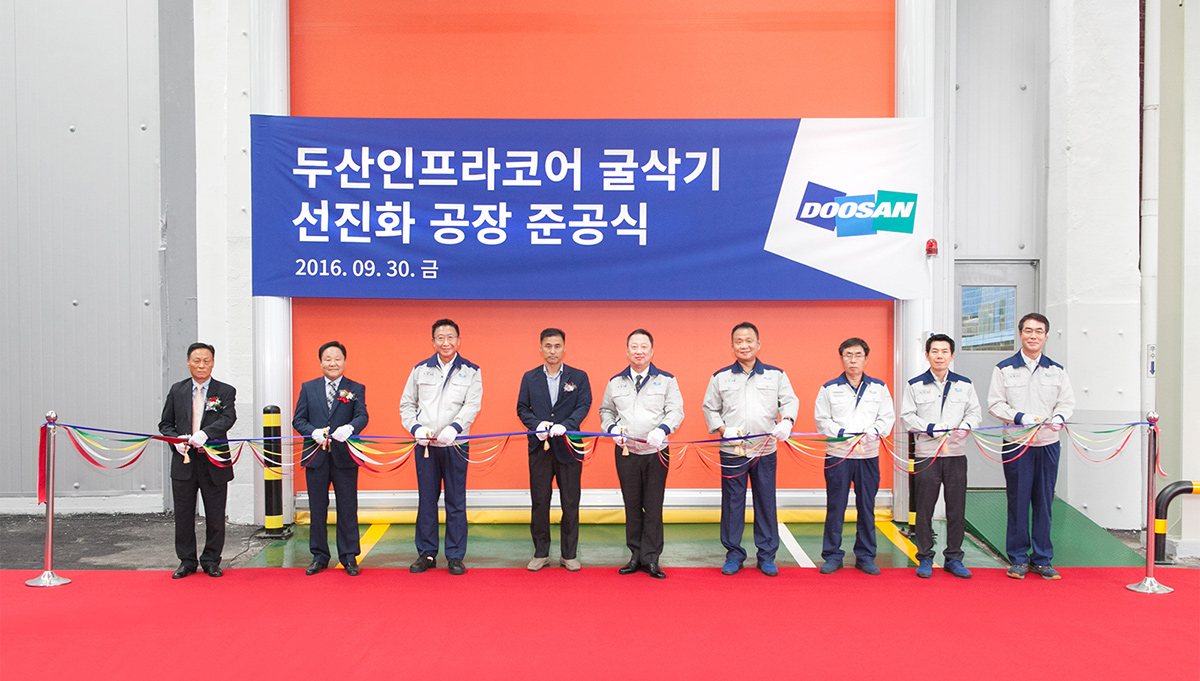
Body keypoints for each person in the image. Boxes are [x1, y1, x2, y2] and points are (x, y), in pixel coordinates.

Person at [702, 322, 799, 577]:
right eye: (739, 341)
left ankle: (766, 556)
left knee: (765, 502)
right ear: (732, 346)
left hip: (764, 450)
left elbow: (790, 401)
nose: (744, 346)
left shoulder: (776, 375)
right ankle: (734, 555)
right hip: (732, 451)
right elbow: (710, 408)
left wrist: (787, 422)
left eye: (749, 341)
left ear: (758, 344)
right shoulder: (720, 377)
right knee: (732, 504)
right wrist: (722, 429)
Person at [987, 312, 1075, 580]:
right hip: (1017, 444)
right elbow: (995, 403)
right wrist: (1019, 417)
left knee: (1044, 502)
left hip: (1048, 445)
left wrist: (1059, 418)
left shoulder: (1056, 370)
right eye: (1028, 331)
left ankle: (1042, 559)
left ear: (1045, 336)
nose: (1033, 336)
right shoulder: (1004, 368)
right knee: (1018, 501)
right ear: (1020, 334)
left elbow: (1066, 402)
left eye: (1038, 331)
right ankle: (1018, 559)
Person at [599, 329, 684, 579]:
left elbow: (676, 411)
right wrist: (611, 429)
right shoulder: (615, 382)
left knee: (653, 506)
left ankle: (652, 559)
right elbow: (606, 411)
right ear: (627, 351)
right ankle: (635, 555)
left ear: (651, 351)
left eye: (644, 346)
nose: (639, 351)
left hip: (656, 452)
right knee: (632, 505)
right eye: (634, 347)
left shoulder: (667, 380)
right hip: (627, 453)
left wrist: (663, 429)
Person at [400, 319, 483, 576]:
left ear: (458, 340)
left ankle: (455, 556)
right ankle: (426, 553)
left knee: (456, 500)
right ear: (433, 341)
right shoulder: (420, 370)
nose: (445, 342)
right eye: (440, 337)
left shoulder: (471, 371)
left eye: (450, 337)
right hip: (426, 446)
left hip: (456, 445)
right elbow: (407, 405)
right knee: (427, 500)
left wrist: (455, 428)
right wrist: (415, 428)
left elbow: (472, 405)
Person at [899, 334, 981, 579]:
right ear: (927, 355)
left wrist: (966, 425)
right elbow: (907, 417)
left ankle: (954, 558)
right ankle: (924, 557)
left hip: (955, 455)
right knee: (924, 508)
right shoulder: (915, 385)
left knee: (956, 508)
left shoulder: (964, 384)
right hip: (927, 455)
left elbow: (975, 413)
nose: (939, 356)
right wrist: (930, 427)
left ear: (952, 356)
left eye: (945, 351)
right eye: (934, 351)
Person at [814, 337, 894, 576]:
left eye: (858, 355)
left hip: (868, 456)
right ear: (841, 359)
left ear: (865, 359)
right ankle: (832, 556)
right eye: (848, 355)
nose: (853, 360)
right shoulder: (829, 388)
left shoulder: (879, 388)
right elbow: (821, 420)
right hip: (838, 455)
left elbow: (887, 417)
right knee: (835, 506)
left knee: (866, 507)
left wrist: (876, 430)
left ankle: (866, 556)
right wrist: (840, 433)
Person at [158, 342, 237, 579]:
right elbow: (165, 424)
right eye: (196, 361)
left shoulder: (225, 391)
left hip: (214, 461)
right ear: (188, 363)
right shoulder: (177, 390)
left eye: (206, 361)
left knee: (215, 516)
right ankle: (187, 561)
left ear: (212, 363)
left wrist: (206, 433)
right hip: (184, 461)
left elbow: (228, 418)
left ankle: (211, 560)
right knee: (183, 515)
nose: (201, 365)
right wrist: (175, 440)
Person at [516, 328, 593, 571]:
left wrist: (566, 425)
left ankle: (569, 555)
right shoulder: (530, 378)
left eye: (557, 346)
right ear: (540, 348)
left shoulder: (578, 377)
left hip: (569, 447)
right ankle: (541, 553)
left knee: (570, 501)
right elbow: (522, 408)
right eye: (548, 346)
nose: (552, 351)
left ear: (564, 348)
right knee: (540, 500)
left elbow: (584, 405)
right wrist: (536, 425)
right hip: (540, 447)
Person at [293, 341, 369, 576]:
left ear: (344, 361)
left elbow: (362, 416)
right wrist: (312, 432)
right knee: (317, 508)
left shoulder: (355, 388)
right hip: (316, 456)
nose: (332, 363)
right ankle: (319, 556)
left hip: (344, 458)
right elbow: (298, 419)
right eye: (328, 359)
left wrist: (350, 428)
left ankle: (349, 556)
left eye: (337, 358)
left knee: (348, 507)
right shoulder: (308, 388)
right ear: (321, 362)